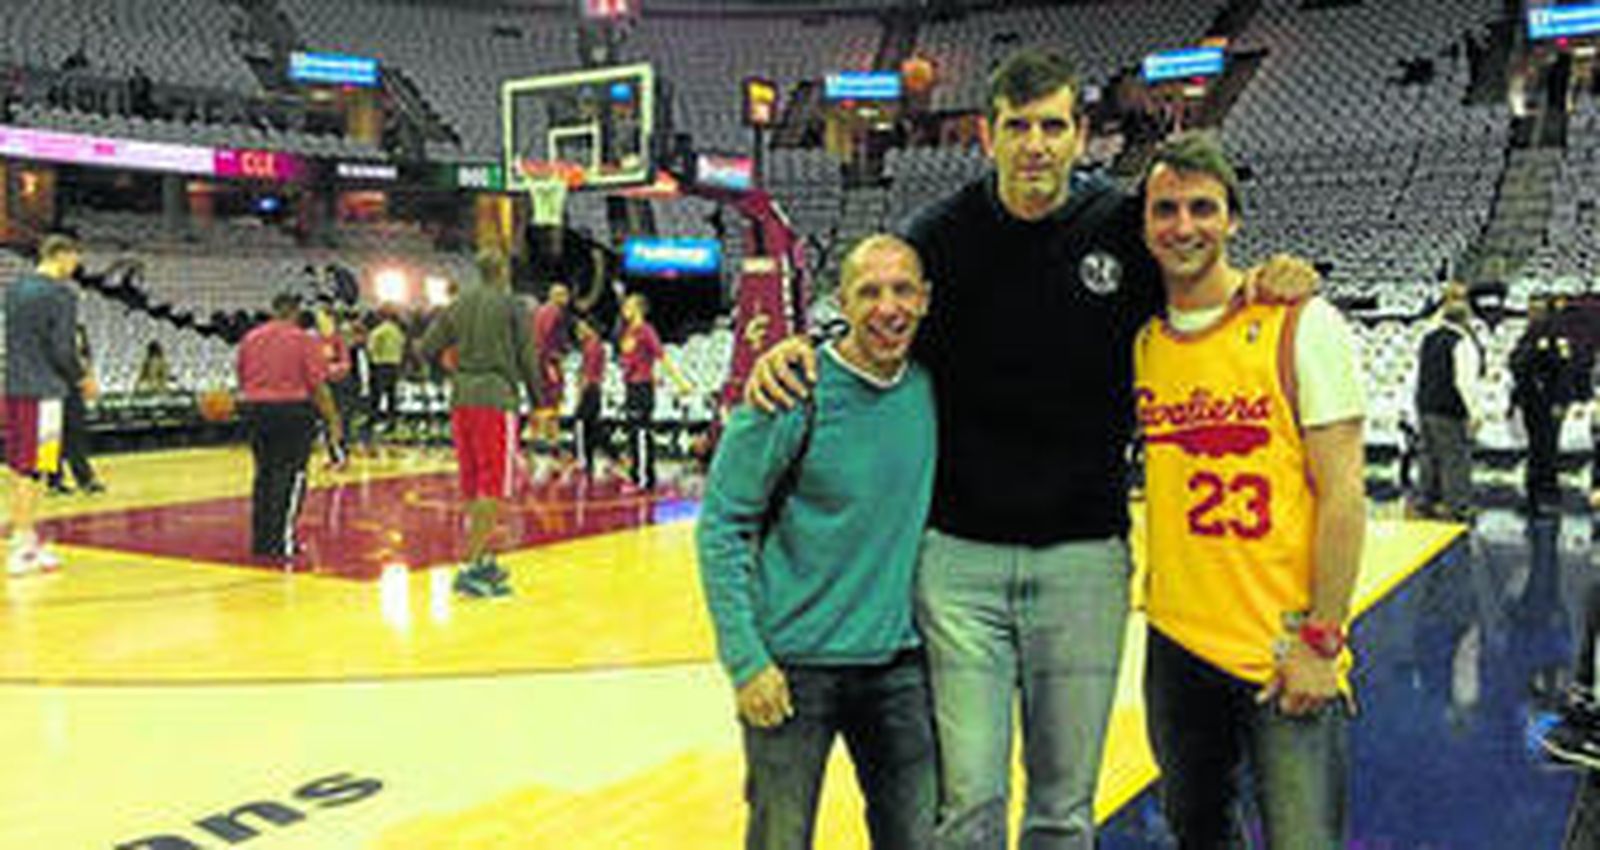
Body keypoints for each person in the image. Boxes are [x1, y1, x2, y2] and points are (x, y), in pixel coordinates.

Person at [746, 49, 1315, 850]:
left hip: (1083, 563)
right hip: (958, 568)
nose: (1037, 145)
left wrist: (1265, 277)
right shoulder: (938, 236)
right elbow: (877, 319)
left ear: (1081, 135)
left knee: (1061, 810)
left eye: (1053, 126)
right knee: (970, 803)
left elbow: (1201, 281)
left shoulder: (1123, 224)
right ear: (988, 134)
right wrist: (798, 348)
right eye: (1019, 127)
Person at [1133, 132, 1365, 848]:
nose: (1183, 225)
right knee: (1197, 834)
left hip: (1282, 646)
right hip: (1176, 644)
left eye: (1203, 207)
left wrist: (1322, 640)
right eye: (1164, 209)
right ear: (1144, 226)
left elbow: (1345, 498)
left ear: (1233, 219)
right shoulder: (1141, 341)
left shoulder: (1302, 323)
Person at [697, 234, 937, 850]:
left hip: (900, 666)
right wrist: (746, 660)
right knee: (780, 838)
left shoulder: (937, 387)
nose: (889, 307)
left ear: (927, 300)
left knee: (916, 836)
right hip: (792, 669)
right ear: (842, 303)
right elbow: (723, 524)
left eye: (903, 289)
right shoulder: (790, 391)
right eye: (870, 292)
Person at [418, 248, 541, 598]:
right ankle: (471, 566)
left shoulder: (457, 304)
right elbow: (527, 356)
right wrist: (540, 401)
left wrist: (454, 367)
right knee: (493, 484)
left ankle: (484, 558)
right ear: (502, 270)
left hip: (461, 399)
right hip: (495, 396)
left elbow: (425, 348)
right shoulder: (512, 305)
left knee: (473, 484)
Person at [5, 233, 88, 575]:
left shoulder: (14, 289)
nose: (76, 267)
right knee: (35, 470)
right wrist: (82, 377)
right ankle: (22, 546)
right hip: (44, 391)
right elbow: (63, 349)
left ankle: (24, 539)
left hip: (12, 388)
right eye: (75, 260)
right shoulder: (61, 294)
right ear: (61, 255)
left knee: (19, 467)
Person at [236, 292, 341, 561]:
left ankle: (261, 541)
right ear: (295, 312)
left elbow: (242, 377)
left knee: (265, 475)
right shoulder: (303, 340)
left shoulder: (250, 338)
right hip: (292, 411)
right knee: (292, 475)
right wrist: (332, 419)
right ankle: (282, 541)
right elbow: (317, 385)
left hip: (255, 411)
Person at [1413, 281, 1481, 522]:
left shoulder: (1428, 338)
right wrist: (1474, 413)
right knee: (1455, 457)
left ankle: (1425, 502)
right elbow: (1464, 381)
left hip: (1425, 404)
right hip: (1449, 408)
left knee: (1428, 456)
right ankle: (1457, 506)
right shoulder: (1462, 342)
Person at [618, 293, 692, 490]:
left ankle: (644, 479)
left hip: (642, 386)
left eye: (629, 306)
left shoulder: (646, 331)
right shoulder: (627, 332)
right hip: (630, 387)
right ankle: (635, 474)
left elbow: (662, 356)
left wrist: (680, 381)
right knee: (633, 433)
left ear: (639, 309)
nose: (624, 309)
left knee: (642, 432)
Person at [1511, 295, 1575, 515]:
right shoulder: (1528, 335)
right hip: (1531, 400)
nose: (1533, 313)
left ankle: (1549, 497)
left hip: (1549, 401)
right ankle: (1532, 496)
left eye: (1537, 310)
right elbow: (1515, 363)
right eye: (1530, 309)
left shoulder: (1557, 336)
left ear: (1546, 312)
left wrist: (1561, 401)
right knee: (1534, 450)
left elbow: (1565, 371)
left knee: (1547, 450)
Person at [47, 323, 104, 495]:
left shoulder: (79, 329)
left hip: (74, 390)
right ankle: (54, 481)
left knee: (77, 435)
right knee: (51, 437)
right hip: (52, 388)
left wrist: (89, 380)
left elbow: (85, 359)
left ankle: (85, 479)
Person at [531, 282, 571, 459]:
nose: (568, 300)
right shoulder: (554, 313)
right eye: (565, 295)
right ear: (557, 296)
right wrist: (551, 361)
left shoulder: (540, 311)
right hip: (547, 361)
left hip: (538, 361)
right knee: (552, 399)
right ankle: (550, 440)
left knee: (542, 400)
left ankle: (539, 437)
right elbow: (546, 338)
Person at [367, 308, 406, 441]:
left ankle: (373, 419)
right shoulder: (397, 331)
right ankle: (392, 422)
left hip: (380, 365)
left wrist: (373, 359)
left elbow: (371, 347)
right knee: (391, 395)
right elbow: (402, 345)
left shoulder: (379, 331)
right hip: (394, 364)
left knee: (376, 394)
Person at [573, 319, 606, 478]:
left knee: (581, 424)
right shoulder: (595, 345)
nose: (578, 332)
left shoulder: (592, 347)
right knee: (591, 427)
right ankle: (589, 461)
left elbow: (588, 373)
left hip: (590, 390)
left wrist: (579, 395)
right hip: (596, 390)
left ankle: (583, 460)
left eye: (581, 328)